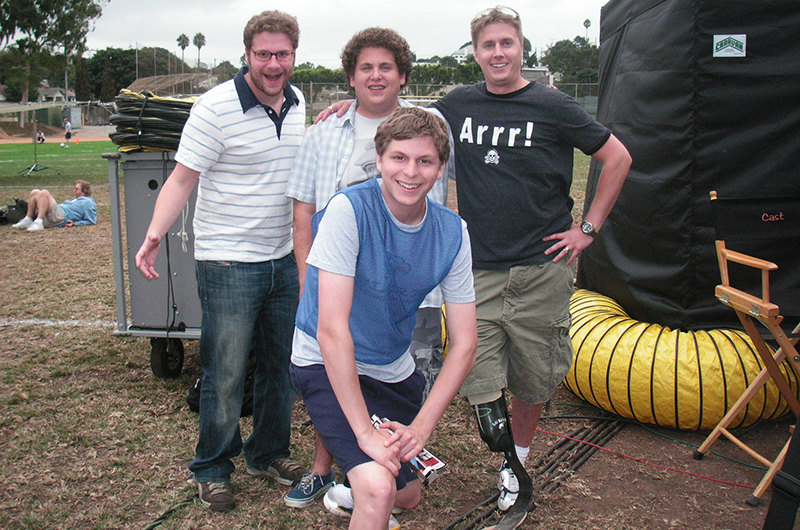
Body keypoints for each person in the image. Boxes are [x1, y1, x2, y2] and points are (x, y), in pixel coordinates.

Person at [430, 6, 632, 513]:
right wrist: (351, 102)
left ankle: (515, 464)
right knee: (476, 371)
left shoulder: (553, 104)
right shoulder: (458, 103)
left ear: (522, 48)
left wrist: (587, 229)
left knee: (533, 375)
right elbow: (404, 125)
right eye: (487, 45)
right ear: (475, 53)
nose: (497, 53)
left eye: (506, 43)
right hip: (477, 267)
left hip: (542, 269)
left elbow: (618, 158)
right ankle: (500, 439)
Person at [134, 10, 307, 513]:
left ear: (294, 55)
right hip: (229, 263)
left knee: (282, 368)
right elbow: (182, 179)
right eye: (263, 55)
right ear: (247, 55)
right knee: (226, 372)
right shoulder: (214, 109)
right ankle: (212, 467)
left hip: (284, 260)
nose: (273, 64)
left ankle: (268, 453)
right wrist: (152, 235)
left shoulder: (297, 106)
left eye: (282, 54)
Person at [284, 26, 451, 511]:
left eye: (386, 67)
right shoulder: (326, 131)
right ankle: (323, 470)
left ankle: (385, 468)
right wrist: (304, 282)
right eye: (365, 68)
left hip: (409, 291)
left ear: (402, 75)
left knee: (401, 381)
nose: (376, 76)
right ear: (351, 78)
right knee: (334, 371)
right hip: (340, 284)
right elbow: (303, 212)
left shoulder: (432, 124)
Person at [289, 106, 477, 530]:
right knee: (378, 486)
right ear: (379, 160)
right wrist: (364, 433)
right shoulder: (348, 210)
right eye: (399, 158)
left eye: (425, 161)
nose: (410, 172)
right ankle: (364, 487)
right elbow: (331, 331)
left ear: (441, 168)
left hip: (391, 370)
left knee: (406, 494)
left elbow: (465, 343)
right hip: (324, 360)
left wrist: (423, 428)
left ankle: (350, 491)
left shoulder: (453, 232)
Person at [12, 180, 97, 231]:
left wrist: (76, 224)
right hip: (56, 215)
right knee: (35, 192)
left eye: (76, 189)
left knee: (44, 193)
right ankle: (28, 219)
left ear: (84, 191)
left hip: (61, 217)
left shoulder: (88, 202)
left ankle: (38, 222)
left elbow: (91, 220)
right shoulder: (75, 200)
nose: (74, 190)